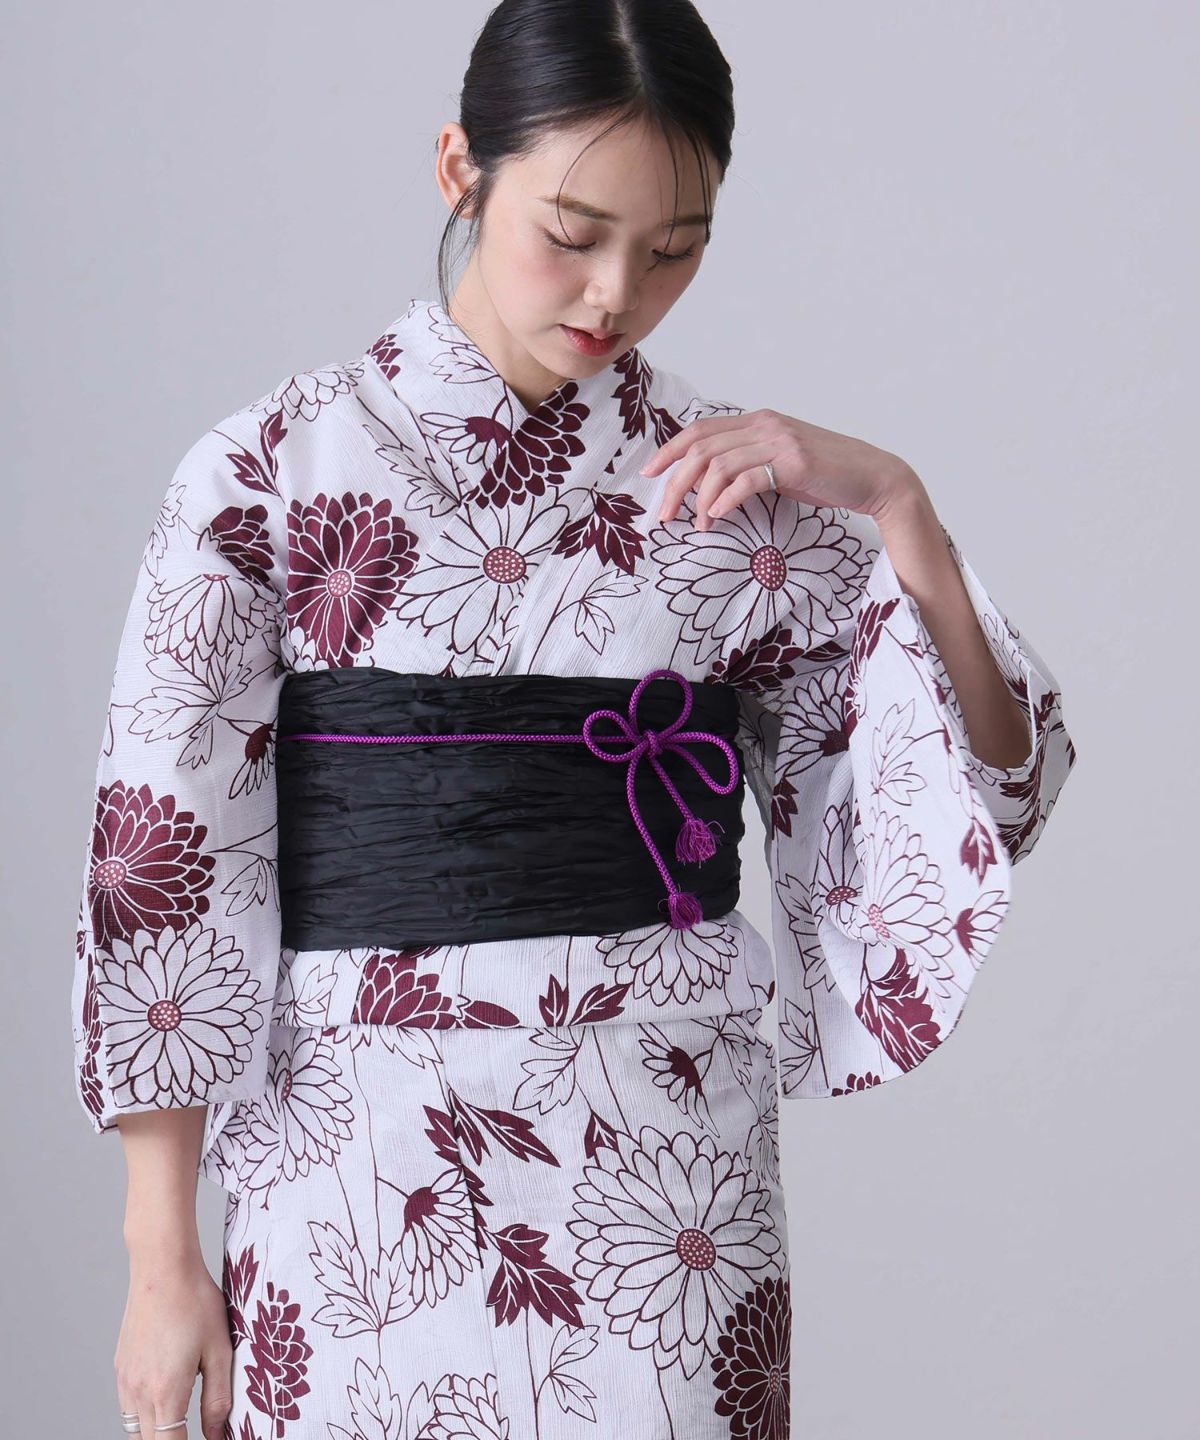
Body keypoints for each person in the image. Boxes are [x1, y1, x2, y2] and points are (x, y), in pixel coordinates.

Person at [71, 2, 1077, 1437]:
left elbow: (990, 795)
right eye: (575, 231)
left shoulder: (733, 494)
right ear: (459, 170)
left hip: (666, 1178)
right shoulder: (270, 471)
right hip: (352, 1159)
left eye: (674, 249)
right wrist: (159, 1257)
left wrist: (898, 505)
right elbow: (165, 861)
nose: (616, 293)